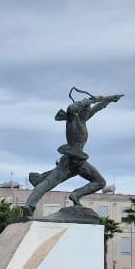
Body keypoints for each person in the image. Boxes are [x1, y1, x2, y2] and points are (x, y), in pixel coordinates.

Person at [21, 89, 120, 217]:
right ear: (81, 110)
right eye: (85, 110)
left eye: (88, 111)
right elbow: (71, 108)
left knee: (100, 182)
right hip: (69, 160)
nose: (88, 112)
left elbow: (98, 108)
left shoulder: (83, 120)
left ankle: (76, 195)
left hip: (79, 161)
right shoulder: (72, 120)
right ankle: (29, 206)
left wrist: (110, 98)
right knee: (49, 182)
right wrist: (86, 101)